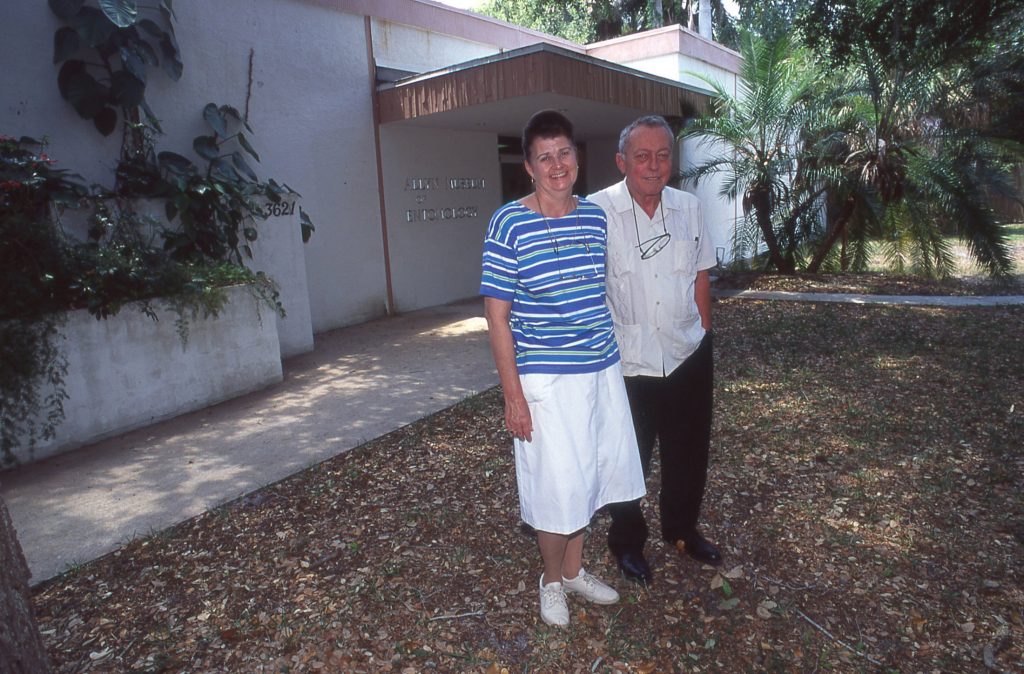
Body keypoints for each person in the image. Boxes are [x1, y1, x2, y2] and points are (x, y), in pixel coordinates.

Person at [480, 110, 646, 627]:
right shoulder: (508, 223)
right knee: (555, 484)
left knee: (591, 476)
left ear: (577, 156)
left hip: (600, 370)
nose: (557, 165)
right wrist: (514, 397)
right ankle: (550, 581)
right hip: (546, 378)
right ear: (528, 166)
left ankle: (574, 572)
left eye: (565, 153)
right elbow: (496, 317)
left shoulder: (594, 216)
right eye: (545, 157)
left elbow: (598, 294)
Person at [588, 115, 722, 586]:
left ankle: (682, 530)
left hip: (687, 352)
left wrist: (703, 332)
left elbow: (702, 272)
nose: (653, 165)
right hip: (627, 360)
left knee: (689, 452)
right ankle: (627, 542)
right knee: (629, 458)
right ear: (622, 161)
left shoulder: (689, 208)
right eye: (642, 156)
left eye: (663, 155)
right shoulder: (595, 212)